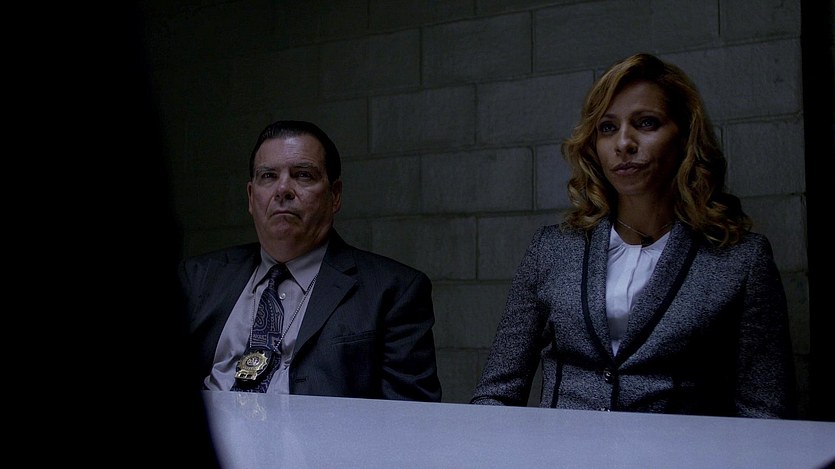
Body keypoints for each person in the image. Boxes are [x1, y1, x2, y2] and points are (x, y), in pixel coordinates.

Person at [470, 53, 796, 418]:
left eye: (646, 123)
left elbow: (764, 411)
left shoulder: (741, 261)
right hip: (562, 446)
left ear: (684, 137)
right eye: (608, 128)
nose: (623, 143)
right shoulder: (552, 249)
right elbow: (496, 393)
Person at [179, 120, 442, 401]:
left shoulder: (393, 291)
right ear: (251, 197)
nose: (283, 189)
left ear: (335, 195)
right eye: (268, 176)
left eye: (303, 175)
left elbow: (409, 417)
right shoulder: (198, 278)